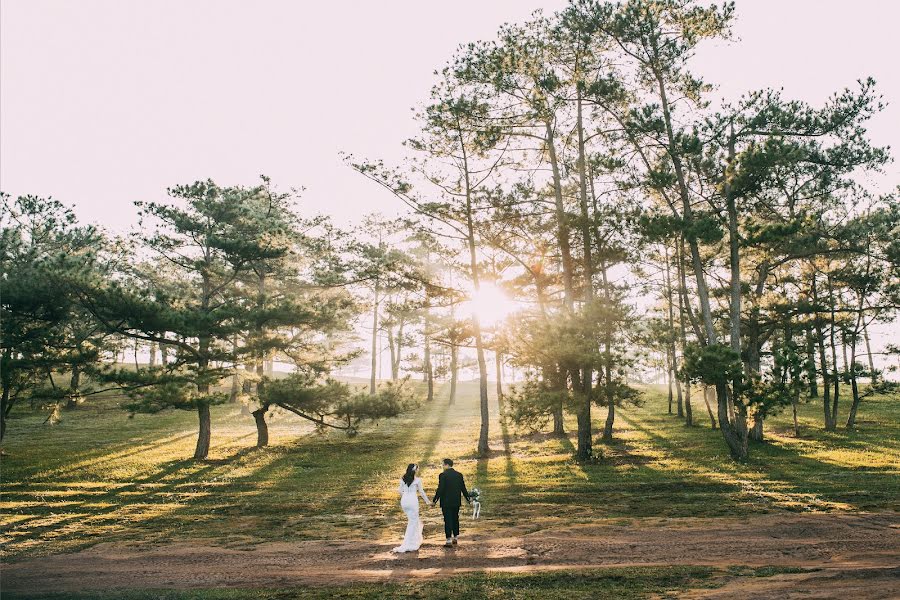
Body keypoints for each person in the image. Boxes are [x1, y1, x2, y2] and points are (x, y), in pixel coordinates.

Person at [392, 463, 431, 553]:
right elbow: (421, 492)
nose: (418, 470)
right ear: (415, 470)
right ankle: (409, 543)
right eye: (417, 469)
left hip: (404, 501)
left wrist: (405, 496)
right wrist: (428, 502)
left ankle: (412, 540)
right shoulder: (417, 480)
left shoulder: (403, 479)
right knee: (413, 522)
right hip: (412, 501)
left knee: (412, 521)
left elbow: (399, 491)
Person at [432, 458, 470, 547]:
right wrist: (468, 498)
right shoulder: (459, 475)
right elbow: (463, 488)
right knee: (455, 518)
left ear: (446, 465)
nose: (442, 466)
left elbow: (440, 489)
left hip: (446, 501)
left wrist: (435, 500)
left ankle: (448, 539)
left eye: (443, 464)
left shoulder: (443, 475)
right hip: (456, 501)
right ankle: (455, 537)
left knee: (447, 519)